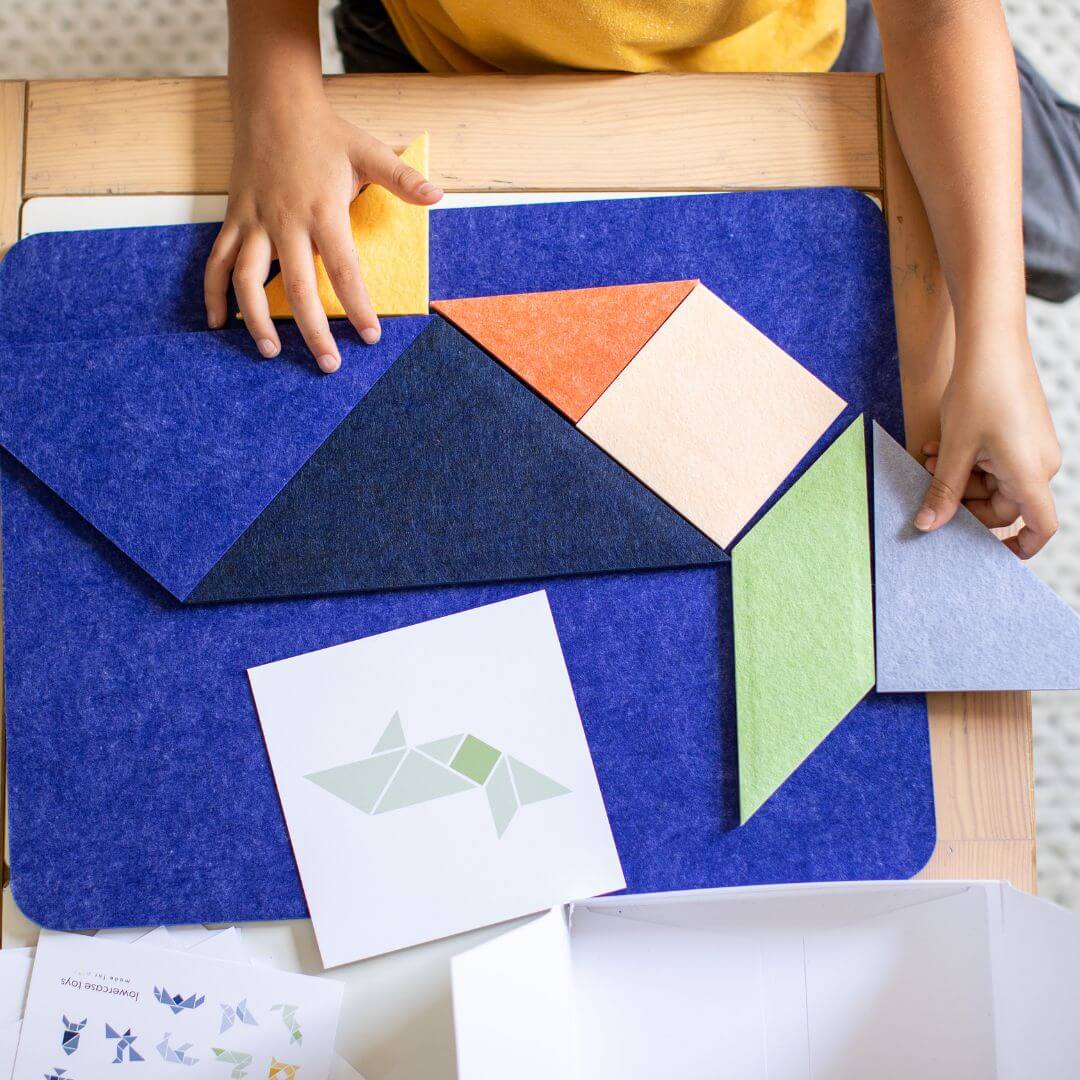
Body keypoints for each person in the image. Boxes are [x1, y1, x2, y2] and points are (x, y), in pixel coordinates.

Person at [205, 0, 1079, 558]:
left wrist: (995, 336)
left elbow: (937, 22)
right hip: (454, 56)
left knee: (1051, 240)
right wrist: (276, 93)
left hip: (804, 55)